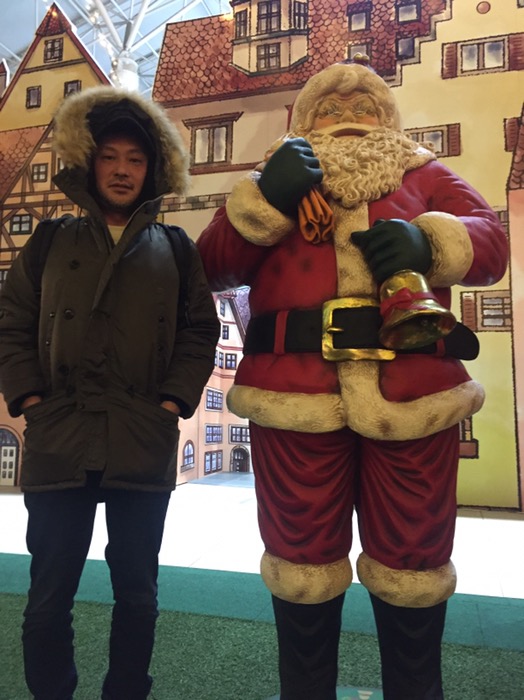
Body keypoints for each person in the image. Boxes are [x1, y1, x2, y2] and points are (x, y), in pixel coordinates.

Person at [196, 59, 508, 700]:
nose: (348, 118)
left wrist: (429, 242)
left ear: (387, 118)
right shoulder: (274, 182)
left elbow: (492, 244)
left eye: (363, 107)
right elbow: (213, 265)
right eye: (330, 110)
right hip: (294, 398)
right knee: (300, 560)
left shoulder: (424, 173)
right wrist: (266, 198)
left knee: (414, 561)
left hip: (413, 396)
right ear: (305, 123)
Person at [0, 86, 220, 700]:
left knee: (138, 596)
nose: (122, 170)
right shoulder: (50, 240)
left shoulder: (175, 248)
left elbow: (200, 330)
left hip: (140, 433)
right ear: (89, 163)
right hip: (60, 432)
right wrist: (32, 402)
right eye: (109, 157)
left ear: (152, 169)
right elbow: (11, 321)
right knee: (48, 598)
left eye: (135, 159)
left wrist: (171, 404)